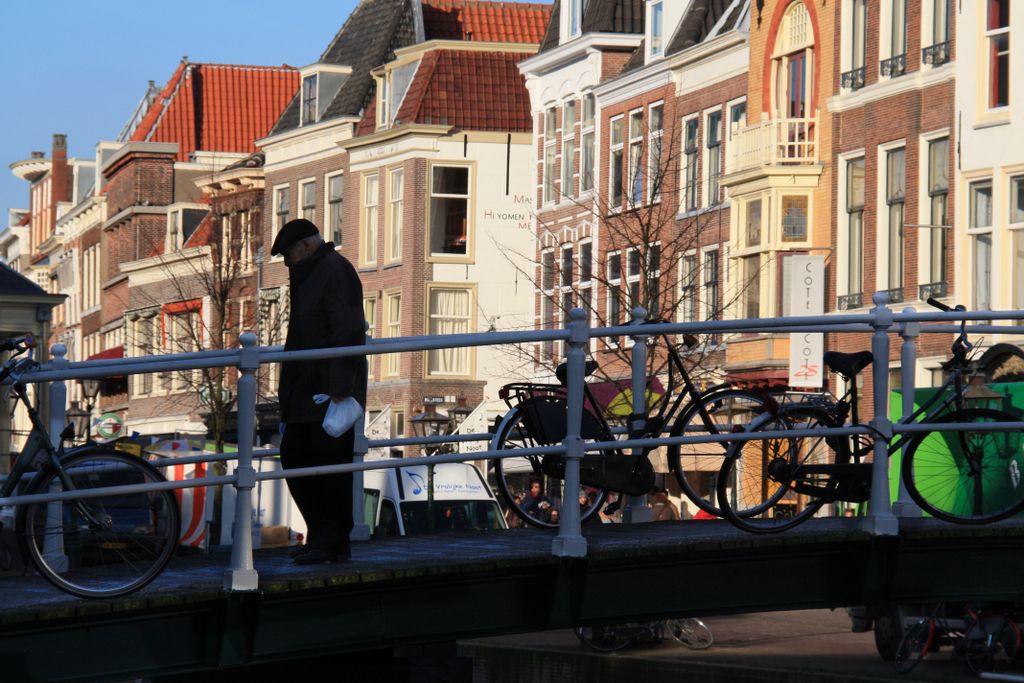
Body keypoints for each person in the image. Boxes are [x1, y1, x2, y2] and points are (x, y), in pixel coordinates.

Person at [272, 218, 367, 565]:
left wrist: (340, 387)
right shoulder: (310, 274)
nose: (286, 262)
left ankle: (333, 541)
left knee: (327, 464)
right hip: (305, 390)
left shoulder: (334, 272)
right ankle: (321, 536)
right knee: (296, 456)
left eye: (288, 254)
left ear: (307, 247)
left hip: (325, 392)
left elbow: (349, 329)